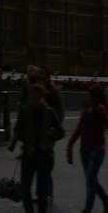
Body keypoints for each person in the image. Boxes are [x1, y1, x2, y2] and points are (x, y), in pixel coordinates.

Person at [10, 83, 65, 213]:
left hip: (45, 156)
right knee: (25, 190)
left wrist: (50, 136)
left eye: (37, 98)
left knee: (41, 193)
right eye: (32, 97)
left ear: (42, 98)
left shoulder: (49, 112)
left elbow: (61, 132)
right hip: (29, 155)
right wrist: (22, 136)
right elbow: (17, 129)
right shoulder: (24, 111)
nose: (34, 100)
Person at [66, 84, 108, 213]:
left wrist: (102, 112)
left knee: (90, 181)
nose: (90, 99)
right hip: (85, 149)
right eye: (90, 96)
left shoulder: (100, 109)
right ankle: (107, 203)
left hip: (97, 149)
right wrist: (70, 144)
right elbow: (80, 127)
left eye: (92, 96)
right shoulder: (86, 107)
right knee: (92, 180)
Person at [38, 65, 65, 204]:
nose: (39, 76)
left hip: (48, 134)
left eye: (42, 73)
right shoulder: (35, 90)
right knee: (39, 165)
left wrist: (52, 132)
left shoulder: (54, 92)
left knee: (45, 165)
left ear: (47, 75)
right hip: (36, 134)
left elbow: (60, 115)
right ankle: (42, 193)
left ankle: (47, 194)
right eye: (39, 73)